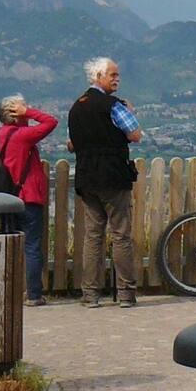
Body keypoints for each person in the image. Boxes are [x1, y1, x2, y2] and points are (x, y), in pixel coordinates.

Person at [67, 57, 142, 308]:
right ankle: (126, 294)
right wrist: (130, 112)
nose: (116, 79)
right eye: (112, 75)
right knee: (121, 235)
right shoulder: (113, 105)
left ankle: (90, 295)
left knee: (93, 236)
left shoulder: (76, 107)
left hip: (87, 178)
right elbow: (135, 135)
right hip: (113, 176)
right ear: (98, 76)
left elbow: (71, 144)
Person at [0, 95, 56, 307]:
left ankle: (6, 291)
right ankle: (34, 295)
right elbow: (51, 122)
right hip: (27, 197)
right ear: (16, 115)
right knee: (32, 246)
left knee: (8, 244)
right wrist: (29, 112)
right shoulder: (24, 136)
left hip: (5, 199)